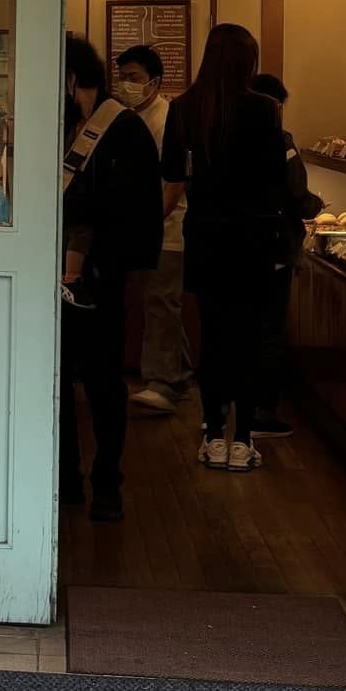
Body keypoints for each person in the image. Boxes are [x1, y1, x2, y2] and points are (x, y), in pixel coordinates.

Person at [159, 23, 294, 472]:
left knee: (213, 336)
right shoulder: (264, 109)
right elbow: (276, 180)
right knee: (249, 337)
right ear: (246, 62)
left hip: (205, 235)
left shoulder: (183, 108)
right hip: (254, 238)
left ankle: (213, 434)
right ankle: (243, 439)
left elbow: (172, 173)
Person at [59, 34, 164, 522]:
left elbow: (135, 209)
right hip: (57, 274)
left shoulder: (122, 128)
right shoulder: (62, 124)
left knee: (103, 381)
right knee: (57, 379)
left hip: (101, 276)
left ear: (72, 78)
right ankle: (65, 478)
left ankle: (107, 480)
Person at [112, 45, 191, 418]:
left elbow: (175, 183)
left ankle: (163, 383)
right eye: (122, 77)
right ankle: (179, 376)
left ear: (154, 82)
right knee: (159, 304)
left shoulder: (167, 119)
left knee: (161, 303)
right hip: (139, 228)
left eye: (134, 78)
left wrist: (150, 223)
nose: (125, 84)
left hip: (168, 229)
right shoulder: (128, 118)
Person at [246, 71, 325, 439]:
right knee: (269, 328)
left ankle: (224, 412)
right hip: (274, 245)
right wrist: (316, 205)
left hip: (236, 247)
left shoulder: (225, 136)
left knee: (239, 327)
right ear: (274, 106)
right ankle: (262, 412)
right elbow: (296, 193)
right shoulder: (280, 141)